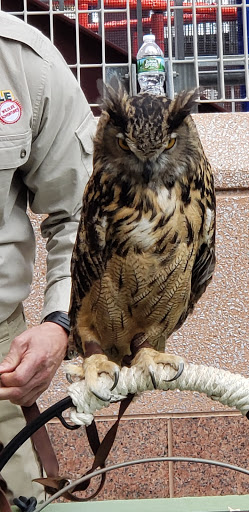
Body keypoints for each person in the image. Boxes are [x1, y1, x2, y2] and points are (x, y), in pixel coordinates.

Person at [0, 10, 95, 504]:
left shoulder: (24, 64)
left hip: (0, 361)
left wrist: (60, 322)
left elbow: (80, 214)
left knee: (24, 500)